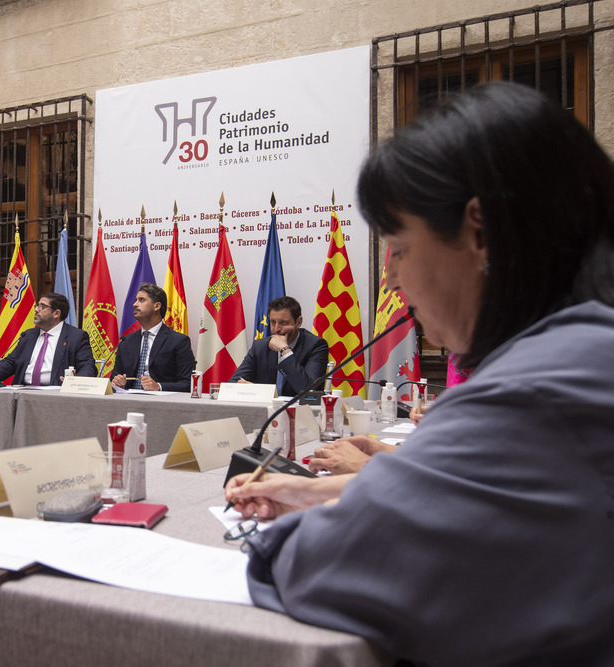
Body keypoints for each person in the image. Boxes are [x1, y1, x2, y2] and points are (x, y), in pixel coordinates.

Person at [225, 83, 614, 665]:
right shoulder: (584, 348)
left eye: (400, 247)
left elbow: (345, 563)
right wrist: (318, 490)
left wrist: (289, 531)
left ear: (480, 232)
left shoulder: (539, 388)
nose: (390, 278)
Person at [0, 292, 96, 386]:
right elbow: (9, 363)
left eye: (42, 306)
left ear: (56, 313)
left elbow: (87, 366)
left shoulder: (76, 336)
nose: (36, 309)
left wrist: (75, 383)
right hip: (23, 392)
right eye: (37, 306)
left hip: (56, 394)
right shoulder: (28, 335)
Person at [229, 296, 329, 394]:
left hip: (300, 409)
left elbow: (309, 392)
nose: (276, 329)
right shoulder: (260, 347)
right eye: (273, 322)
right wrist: (258, 392)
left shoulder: (316, 346)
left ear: (298, 322)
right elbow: (232, 385)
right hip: (265, 409)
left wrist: (285, 350)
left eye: (283, 323)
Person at [110, 283, 195, 391]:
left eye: (141, 300)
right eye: (136, 300)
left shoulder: (179, 341)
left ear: (157, 306)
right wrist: (117, 382)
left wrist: (159, 386)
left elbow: (188, 383)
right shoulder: (126, 342)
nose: (135, 304)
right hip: (129, 402)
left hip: (162, 403)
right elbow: (114, 378)